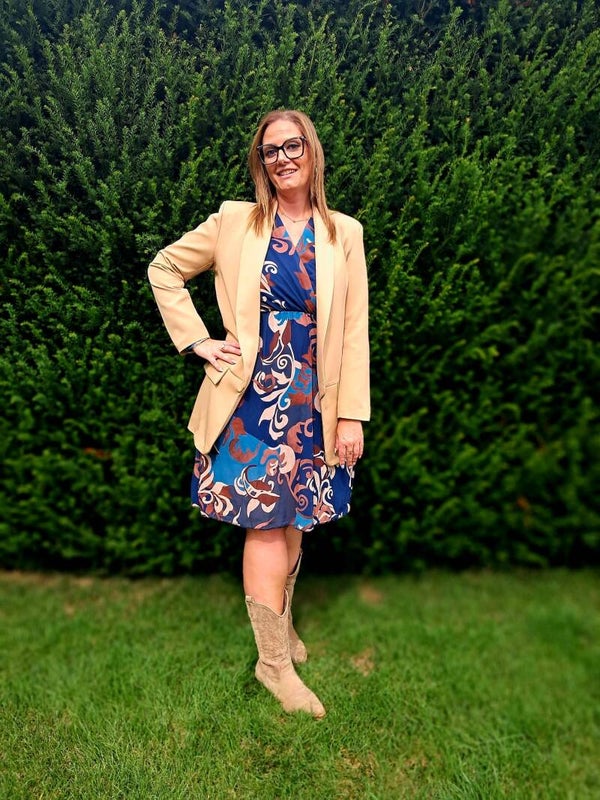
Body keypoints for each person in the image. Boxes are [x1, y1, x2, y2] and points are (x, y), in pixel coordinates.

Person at [148, 109, 370, 718]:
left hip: (315, 401)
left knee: (295, 518)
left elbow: (354, 330)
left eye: (292, 146)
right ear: (261, 163)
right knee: (266, 524)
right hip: (254, 398)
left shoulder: (344, 233)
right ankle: (272, 664)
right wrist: (198, 341)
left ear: (311, 151)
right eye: (271, 151)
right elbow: (164, 268)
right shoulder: (234, 222)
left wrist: (351, 414)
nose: (283, 158)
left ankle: (282, 627)